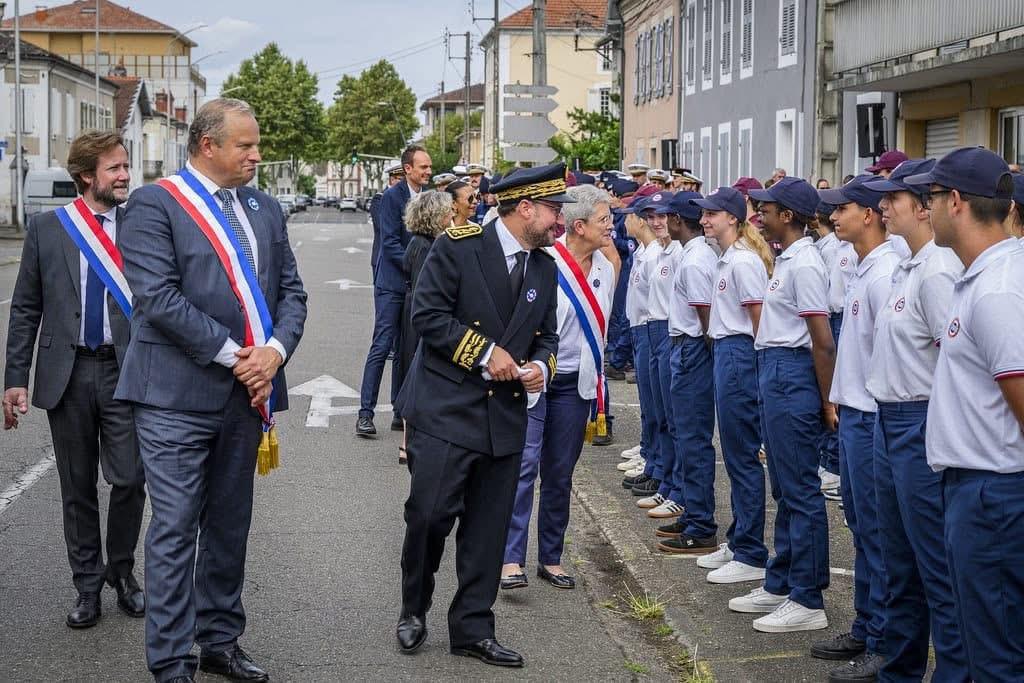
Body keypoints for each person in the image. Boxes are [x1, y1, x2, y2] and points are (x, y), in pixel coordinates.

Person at [115, 98, 308, 683]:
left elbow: (292, 293)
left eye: (256, 145)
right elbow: (158, 298)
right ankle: (172, 662)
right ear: (207, 145)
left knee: (229, 523)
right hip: (174, 397)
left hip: (244, 398)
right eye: (245, 146)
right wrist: (237, 356)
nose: (257, 154)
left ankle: (219, 640)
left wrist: (273, 353)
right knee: (176, 527)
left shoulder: (265, 208)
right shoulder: (154, 205)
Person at [395, 163, 567, 668]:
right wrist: (484, 351)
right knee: (428, 518)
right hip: (447, 408)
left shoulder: (544, 266)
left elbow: (547, 336)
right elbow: (426, 315)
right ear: (526, 208)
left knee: (489, 530)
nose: (559, 221)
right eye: (554, 210)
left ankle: (472, 626)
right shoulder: (460, 244)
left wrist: (540, 366)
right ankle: (413, 608)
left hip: (503, 417)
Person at [3, 130, 146, 630]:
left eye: (126, 166)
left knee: (130, 478)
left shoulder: (142, 224)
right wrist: (14, 377)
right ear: (88, 176)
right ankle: (87, 586)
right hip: (68, 371)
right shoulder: (48, 228)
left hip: (126, 368)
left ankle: (122, 571)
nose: (125, 175)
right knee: (77, 486)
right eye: (115, 168)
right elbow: (25, 309)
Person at [903, 147, 1022, 682]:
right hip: (979, 487)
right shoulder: (987, 278)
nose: (923, 209)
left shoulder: (996, 290)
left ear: (955, 202)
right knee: (986, 646)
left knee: (996, 657)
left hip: (992, 493)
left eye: (928, 198)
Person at [861, 159, 968, 681]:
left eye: (893, 200)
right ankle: (899, 670)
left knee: (935, 567)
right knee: (898, 559)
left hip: (920, 420)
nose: (882, 207)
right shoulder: (909, 266)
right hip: (891, 419)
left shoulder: (939, 271)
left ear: (924, 208)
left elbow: (955, 360)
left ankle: (953, 670)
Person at [729, 177, 835, 633]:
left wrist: (829, 401)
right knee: (784, 486)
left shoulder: (805, 264)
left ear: (788, 215)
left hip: (793, 374)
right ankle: (782, 580)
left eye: (766, 209)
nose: (758, 216)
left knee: (799, 490)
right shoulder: (787, 259)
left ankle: (807, 598)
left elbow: (822, 341)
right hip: (775, 369)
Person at [501, 184, 618, 591]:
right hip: (536, 379)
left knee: (560, 472)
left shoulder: (606, 268)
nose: (611, 226)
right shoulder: (544, 261)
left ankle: (550, 555)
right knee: (524, 466)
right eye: (604, 220)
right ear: (578, 225)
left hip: (576, 383)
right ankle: (510, 557)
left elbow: (600, 332)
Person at [810, 174, 899, 680]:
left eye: (842, 208)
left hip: (872, 415)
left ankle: (883, 637)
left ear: (869, 214)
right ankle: (868, 625)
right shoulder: (867, 269)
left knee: (877, 532)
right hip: (856, 413)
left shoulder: (885, 272)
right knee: (863, 527)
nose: (833, 216)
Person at [692, 187, 774, 584]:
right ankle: (741, 538)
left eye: (712, 214)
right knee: (735, 452)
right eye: (704, 215)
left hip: (739, 353)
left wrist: (755, 370)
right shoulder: (728, 260)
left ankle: (751, 550)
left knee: (742, 456)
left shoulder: (742, 263)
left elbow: (759, 321)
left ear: (732, 219)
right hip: (727, 352)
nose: (705, 220)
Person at [654, 191, 721, 556]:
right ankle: (694, 514)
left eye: (669, 217)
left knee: (692, 438)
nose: (665, 223)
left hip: (692, 347)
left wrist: (700, 358)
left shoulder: (695, 260)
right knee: (685, 434)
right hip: (687, 346)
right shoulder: (693, 255)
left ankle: (701, 524)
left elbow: (706, 319)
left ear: (679, 220)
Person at [357, 144, 432, 437]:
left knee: (406, 349)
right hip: (391, 283)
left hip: (414, 285)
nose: (428, 171)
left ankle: (399, 411)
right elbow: (389, 243)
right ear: (408, 169)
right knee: (382, 345)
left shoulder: (426, 198)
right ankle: (365, 413)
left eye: (429, 166)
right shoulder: (391, 197)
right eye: (423, 167)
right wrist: (417, 267)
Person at [635, 192, 686, 520]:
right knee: (660, 412)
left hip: (670, 331)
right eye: (651, 217)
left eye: (663, 216)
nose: (657, 223)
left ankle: (677, 487)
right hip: (654, 330)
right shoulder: (663, 253)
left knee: (675, 416)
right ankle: (667, 481)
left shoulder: (679, 253)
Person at [397, 190, 456, 465]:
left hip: (414, 310)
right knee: (416, 372)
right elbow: (425, 288)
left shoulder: (424, 242)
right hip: (419, 316)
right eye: (447, 211)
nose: (452, 215)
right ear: (435, 216)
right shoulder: (424, 247)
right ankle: (407, 443)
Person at [814, 201, 847, 500]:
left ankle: (835, 464)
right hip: (835, 317)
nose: (836, 216)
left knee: (838, 396)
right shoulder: (834, 247)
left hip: (840, 319)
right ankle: (831, 461)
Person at [370, 163, 405, 280]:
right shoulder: (380, 198)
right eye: (401, 179)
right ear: (392, 179)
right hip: (383, 258)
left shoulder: (407, 198)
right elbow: (382, 225)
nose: (403, 183)